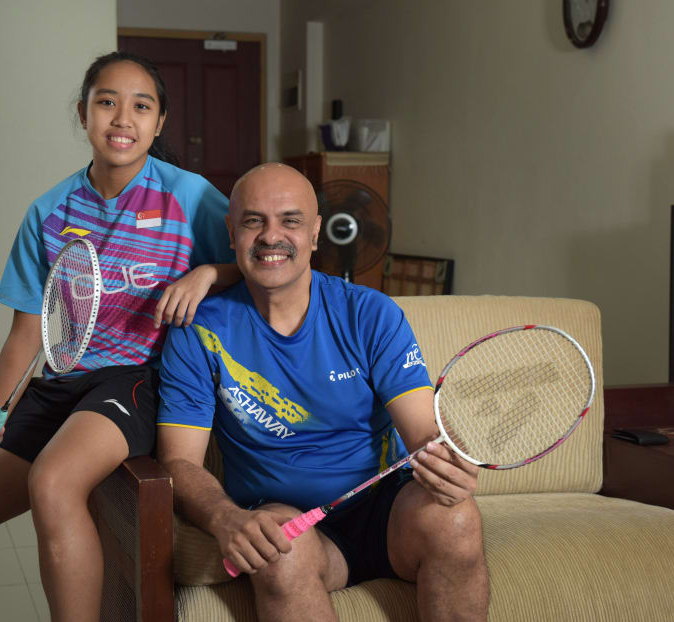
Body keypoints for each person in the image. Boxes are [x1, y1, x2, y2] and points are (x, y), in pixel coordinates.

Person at [0, 51, 239, 622]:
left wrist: (210, 272)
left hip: (139, 379)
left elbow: (257, 265)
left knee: (53, 482)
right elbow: (26, 333)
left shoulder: (190, 196)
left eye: (142, 106)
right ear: (82, 113)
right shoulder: (49, 211)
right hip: (60, 384)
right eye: (107, 102)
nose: (122, 119)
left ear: (159, 124)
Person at [157, 163, 490, 621]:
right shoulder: (198, 329)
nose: (271, 236)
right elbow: (178, 461)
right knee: (282, 549)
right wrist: (225, 518)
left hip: (387, 514)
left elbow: (422, 432)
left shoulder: (370, 314)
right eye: (254, 221)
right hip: (288, 519)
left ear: (315, 234)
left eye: (290, 220)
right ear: (231, 233)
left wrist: (448, 464)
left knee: (456, 517)